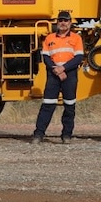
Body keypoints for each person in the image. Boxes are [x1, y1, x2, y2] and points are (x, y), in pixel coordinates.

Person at [31, 11, 84, 144]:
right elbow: (46, 57)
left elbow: (78, 57)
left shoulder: (76, 38)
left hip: (69, 74)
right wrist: (57, 70)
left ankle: (66, 135)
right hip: (54, 74)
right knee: (47, 105)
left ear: (70, 23)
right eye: (60, 20)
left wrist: (63, 68)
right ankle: (39, 134)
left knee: (69, 105)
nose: (63, 23)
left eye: (66, 20)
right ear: (57, 22)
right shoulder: (49, 38)